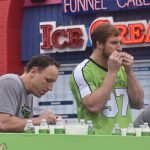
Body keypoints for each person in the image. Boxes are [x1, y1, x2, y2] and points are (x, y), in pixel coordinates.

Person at [69, 22, 144, 135]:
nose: (119, 48)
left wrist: (130, 72)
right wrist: (112, 72)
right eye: (114, 43)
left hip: (125, 139)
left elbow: (139, 103)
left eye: (120, 43)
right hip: (97, 142)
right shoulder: (82, 71)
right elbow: (93, 106)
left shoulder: (122, 69)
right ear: (99, 44)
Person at [0, 55, 60, 132]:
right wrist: (41, 120)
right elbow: (3, 123)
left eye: (52, 83)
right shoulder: (10, 81)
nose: (50, 88)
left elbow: (23, 127)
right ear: (33, 72)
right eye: (48, 80)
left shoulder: (29, 94)